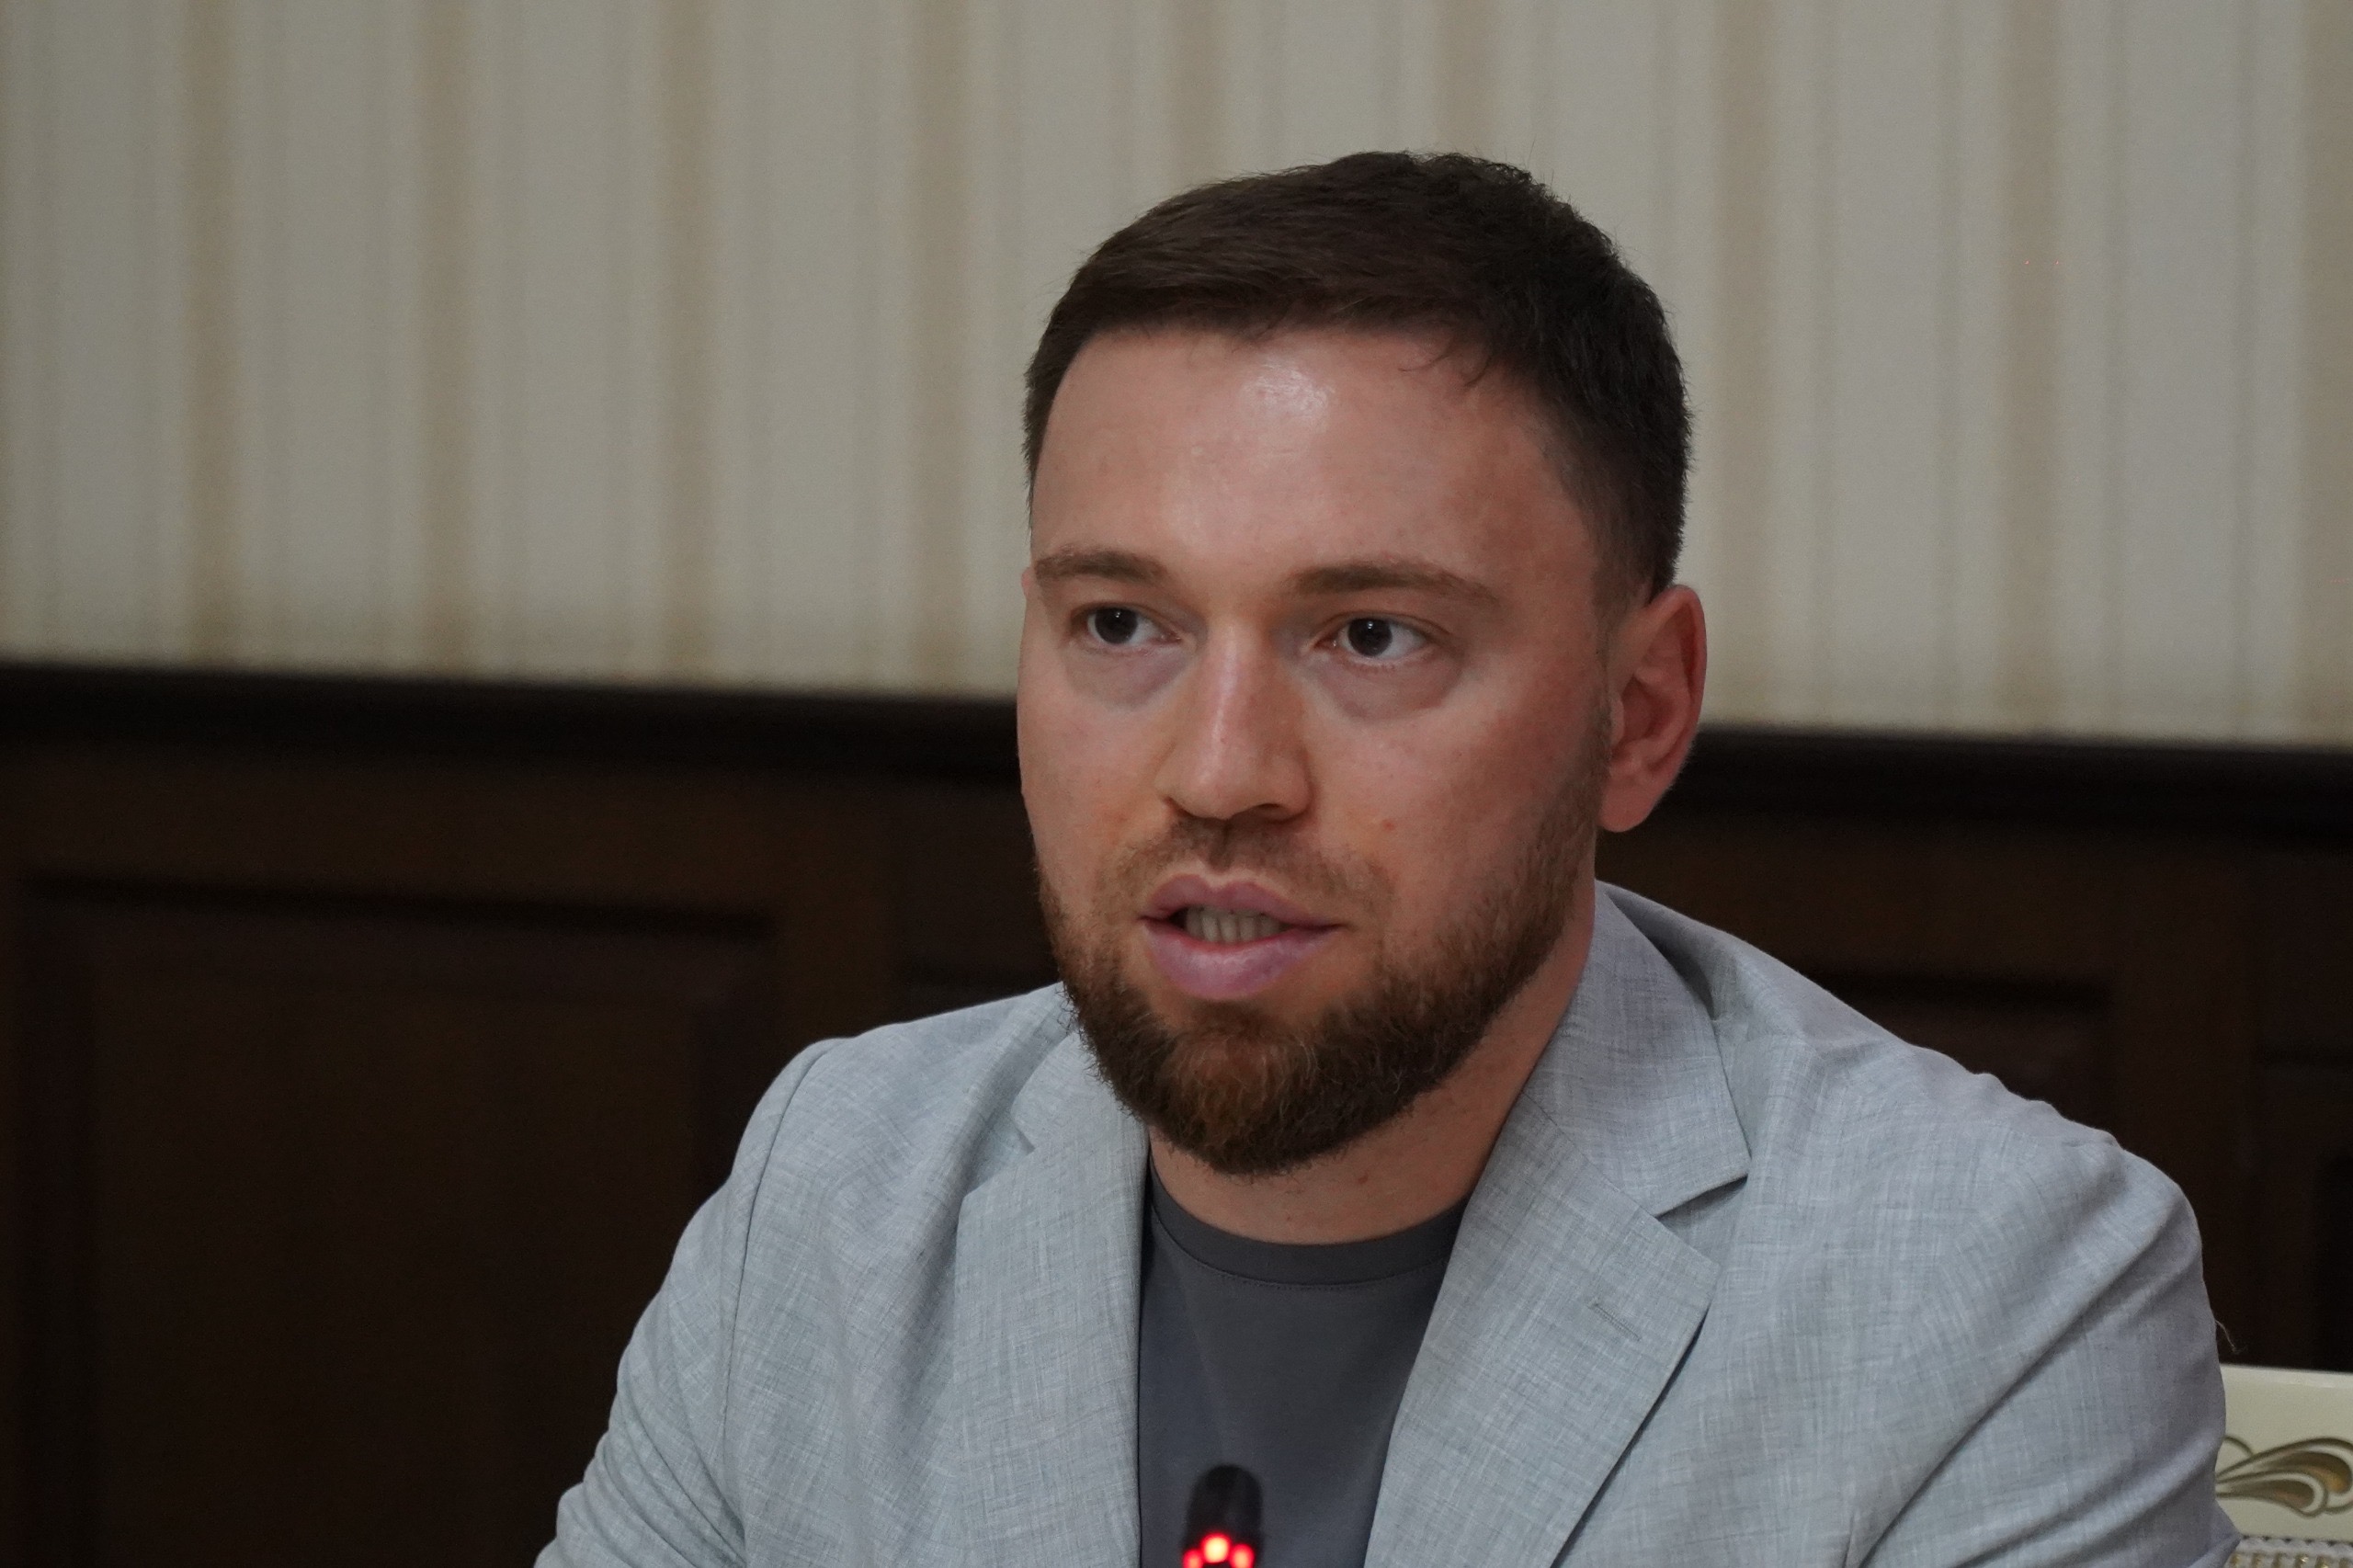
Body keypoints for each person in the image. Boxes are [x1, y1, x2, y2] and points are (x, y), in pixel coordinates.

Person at [541, 153, 2234, 1568]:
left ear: (1640, 714)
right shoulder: (835, 1187)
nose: (1219, 773)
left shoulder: (1997, 1291)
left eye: (1371, 635)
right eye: (1121, 622)